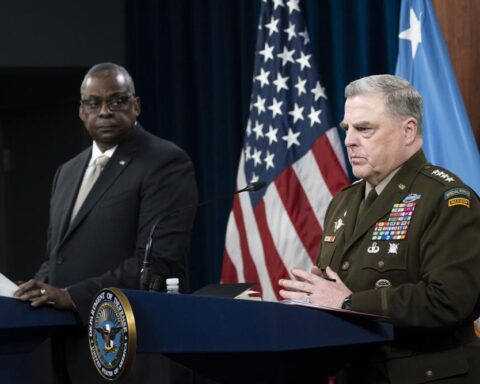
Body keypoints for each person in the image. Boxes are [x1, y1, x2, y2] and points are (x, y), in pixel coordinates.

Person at [279, 74, 480, 383]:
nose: (349, 140)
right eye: (347, 129)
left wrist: (348, 303)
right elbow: (339, 287)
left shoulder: (446, 199)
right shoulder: (343, 203)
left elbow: (450, 300)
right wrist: (313, 297)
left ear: (408, 131)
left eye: (365, 129)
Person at [14, 63, 198, 383]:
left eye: (117, 101)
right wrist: (31, 290)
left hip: (131, 350)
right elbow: (57, 256)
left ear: (136, 106)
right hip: (70, 348)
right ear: (81, 111)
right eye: (94, 103)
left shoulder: (165, 162)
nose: (105, 111)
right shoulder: (67, 172)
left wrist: (70, 295)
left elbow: (155, 266)